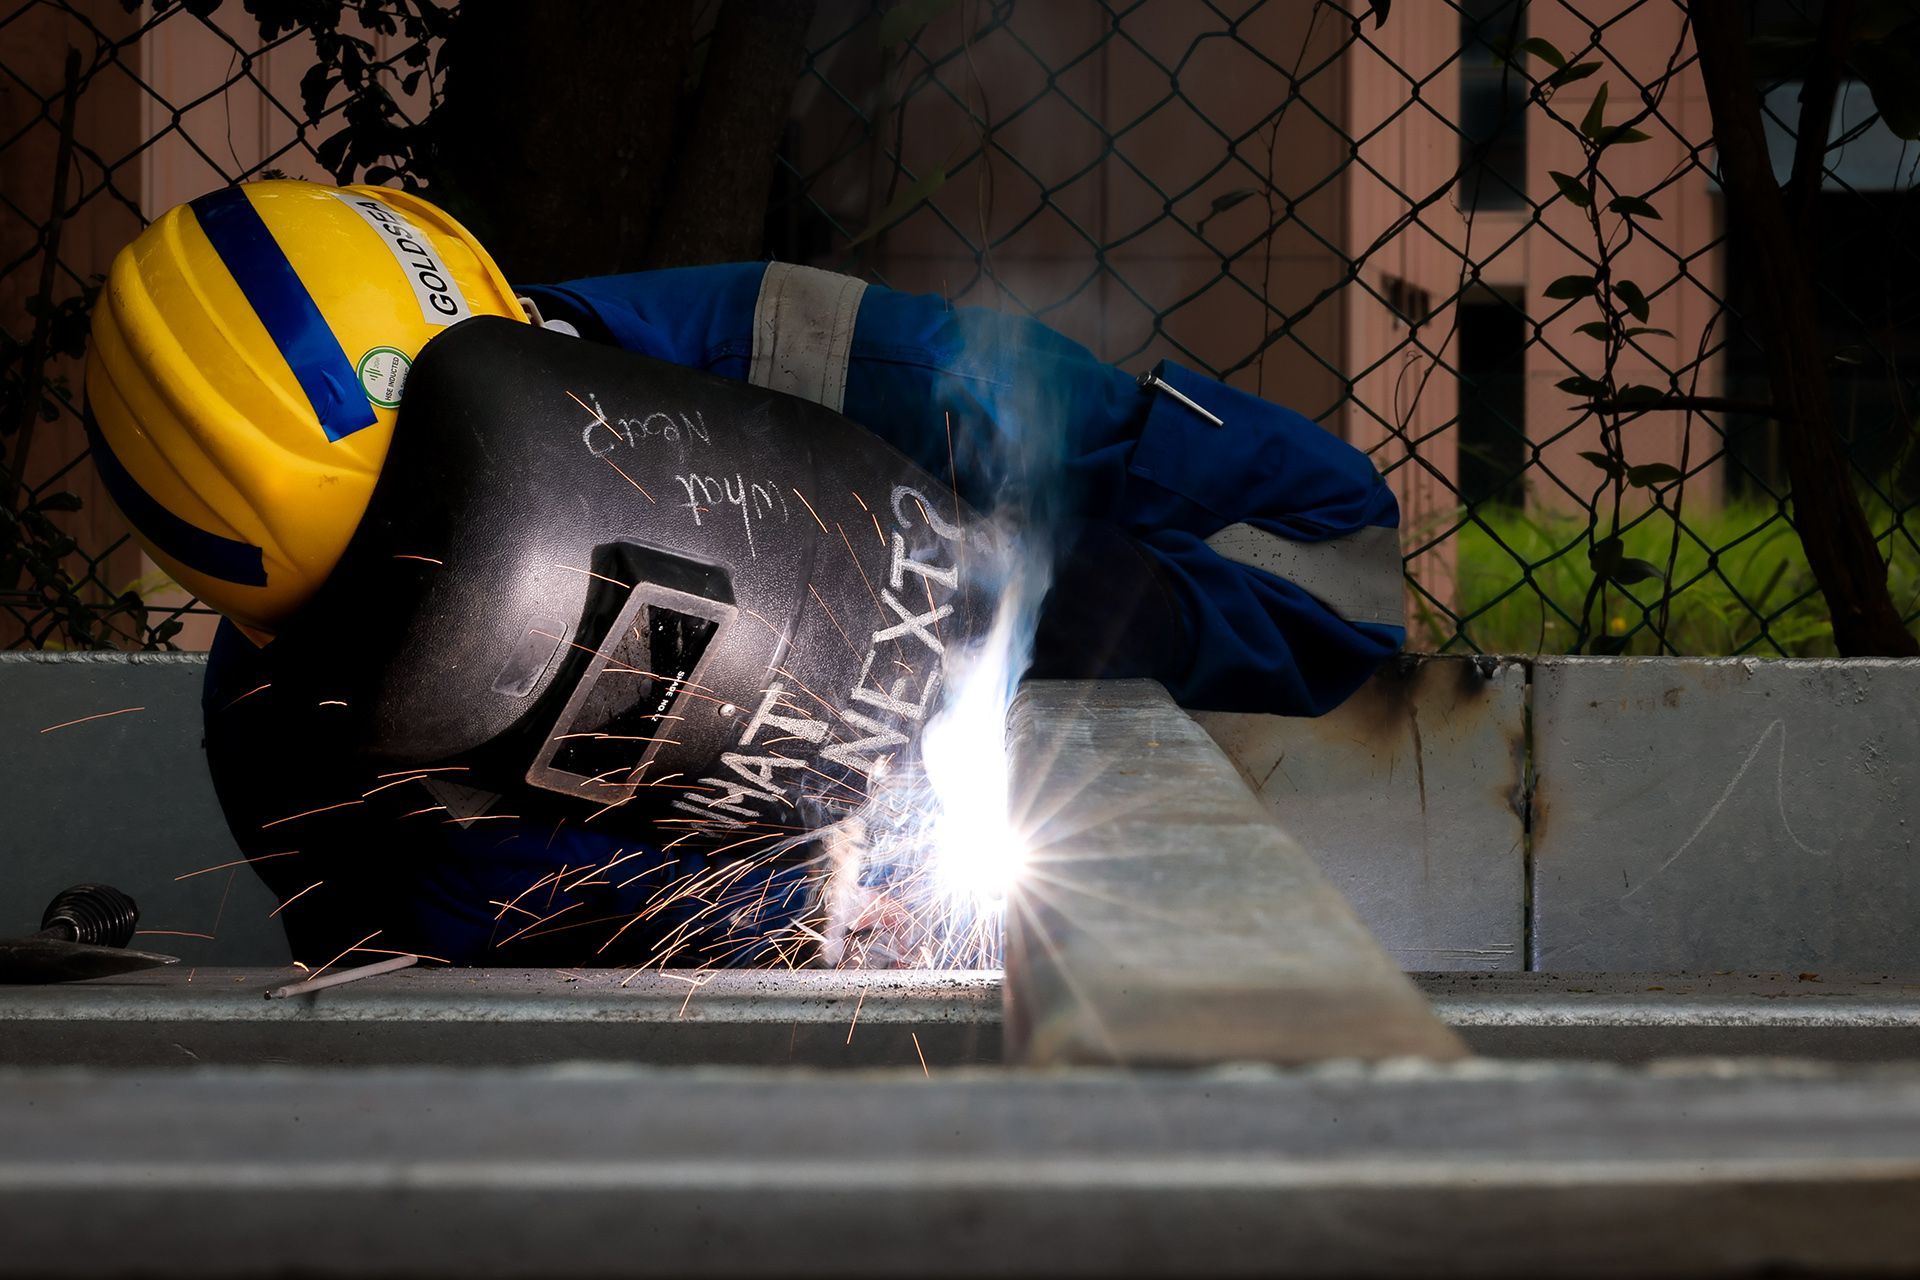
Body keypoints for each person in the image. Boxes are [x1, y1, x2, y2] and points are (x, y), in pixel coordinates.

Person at [85, 180, 1405, 968]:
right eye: (409, 590)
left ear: (530, 351)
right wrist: (823, 907)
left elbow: (1331, 555)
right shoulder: (298, 762)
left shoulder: (765, 353)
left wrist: (1143, 587)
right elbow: (543, 950)